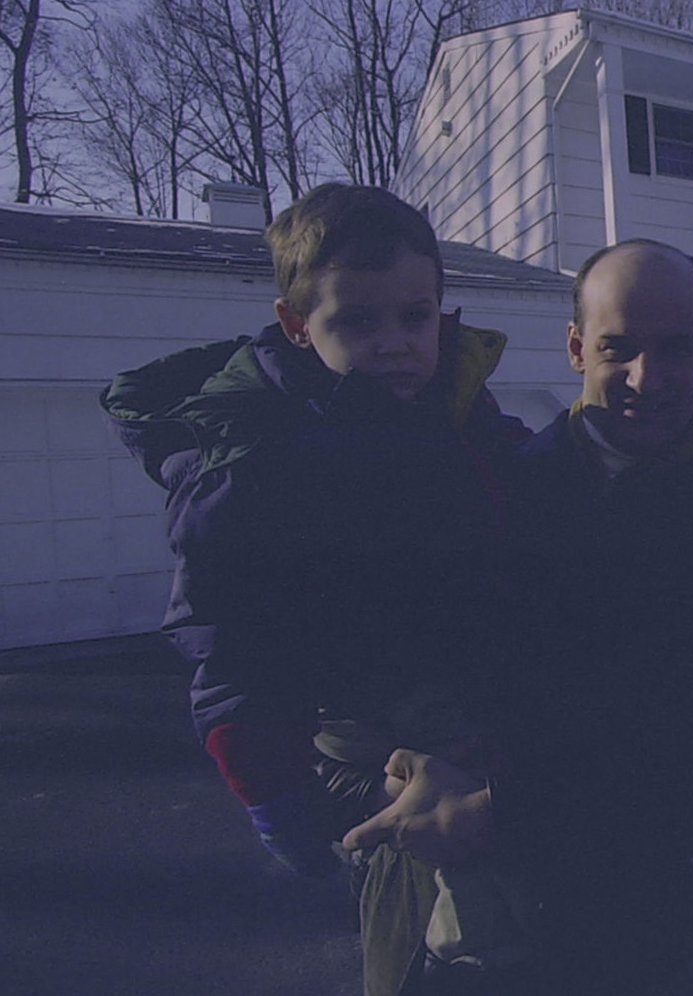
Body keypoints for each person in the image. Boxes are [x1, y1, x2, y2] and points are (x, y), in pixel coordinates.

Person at [100, 183, 530, 996]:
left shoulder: (458, 410)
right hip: (378, 747)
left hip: (487, 725)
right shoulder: (262, 465)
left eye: (415, 316)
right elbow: (227, 641)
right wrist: (271, 790)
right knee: (450, 951)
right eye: (358, 321)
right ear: (297, 324)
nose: (396, 343)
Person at [345, 238, 693, 996]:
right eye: (617, 347)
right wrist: (385, 780)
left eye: (673, 347)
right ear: (574, 347)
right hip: (447, 925)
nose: (645, 376)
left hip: (630, 933)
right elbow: (365, 687)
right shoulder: (481, 497)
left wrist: (503, 810)